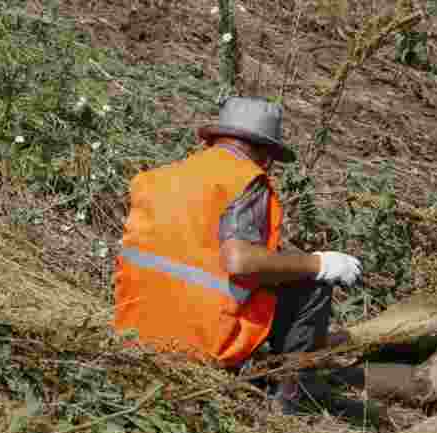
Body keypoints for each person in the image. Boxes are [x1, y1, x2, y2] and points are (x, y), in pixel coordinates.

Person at [113, 96, 363, 415]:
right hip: (201, 343)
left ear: (214, 139)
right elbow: (240, 262)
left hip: (136, 332)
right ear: (266, 153)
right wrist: (320, 263)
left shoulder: (160, 178)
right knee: (312, 286)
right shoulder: (245, 179)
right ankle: (293, 404)